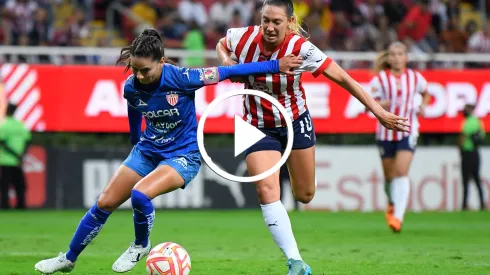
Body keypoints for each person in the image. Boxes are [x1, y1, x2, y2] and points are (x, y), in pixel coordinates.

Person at [34, 28, 303, 274]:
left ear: (162, 62)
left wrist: (275, 65)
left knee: (140, 194)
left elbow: (230, 72)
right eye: (135, 70)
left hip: (183, 155)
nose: (139, 76)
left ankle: (140, 246)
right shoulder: (131, 86)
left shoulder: (184, 78)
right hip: (147, 150)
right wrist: (134, 136)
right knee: (104, 202)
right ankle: (68, 259)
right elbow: (133, 106)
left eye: (145, 71)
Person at [216, 0, 410, 273]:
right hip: (255, 124)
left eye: (277, 22)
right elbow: (222, 44)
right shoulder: (242, 37)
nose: (270, 28)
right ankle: (295, 261)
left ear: (290, 22)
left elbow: (343, 79)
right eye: (266, 21)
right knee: (266, 190)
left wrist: (378, 111)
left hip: (295, 120)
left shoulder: (302, 50)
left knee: (305, 194)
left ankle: (303, 172)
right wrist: (227, 62)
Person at [370, 41, 431, 233]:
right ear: (388, 58)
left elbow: (426, 93)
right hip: (385, 131)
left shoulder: (415, 77)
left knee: (401, 172)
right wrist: (381, 104)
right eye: (393, 54)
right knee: (389, 177)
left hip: (408, 129)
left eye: (400, 53)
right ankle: (392, 203)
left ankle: (398, 216)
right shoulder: (380, 79)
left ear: (406, 57)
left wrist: (423, 106)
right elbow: (370, 102)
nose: (396, 57)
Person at [0, 103, 31, 209]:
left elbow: (2, 142)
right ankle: (21, 205)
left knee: (5, 185)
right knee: (20, 185)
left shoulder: (5, 125)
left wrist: (15, 155)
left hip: (5, 160)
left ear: (6, 111)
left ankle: (5, 205)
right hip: (18, 161)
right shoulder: (21, 125)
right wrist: (21, 155)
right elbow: (27, 141)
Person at [459, 103, 486, 211]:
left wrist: (460, 149)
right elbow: (482, 136)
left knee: (465, 181)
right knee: (477, 179)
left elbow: (462, 137)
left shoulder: (468, 122)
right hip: (476, 153)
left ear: (470, 110)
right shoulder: (478, 121)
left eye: (465, 109)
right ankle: (482, 204)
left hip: (467, 153)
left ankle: (464, 205)